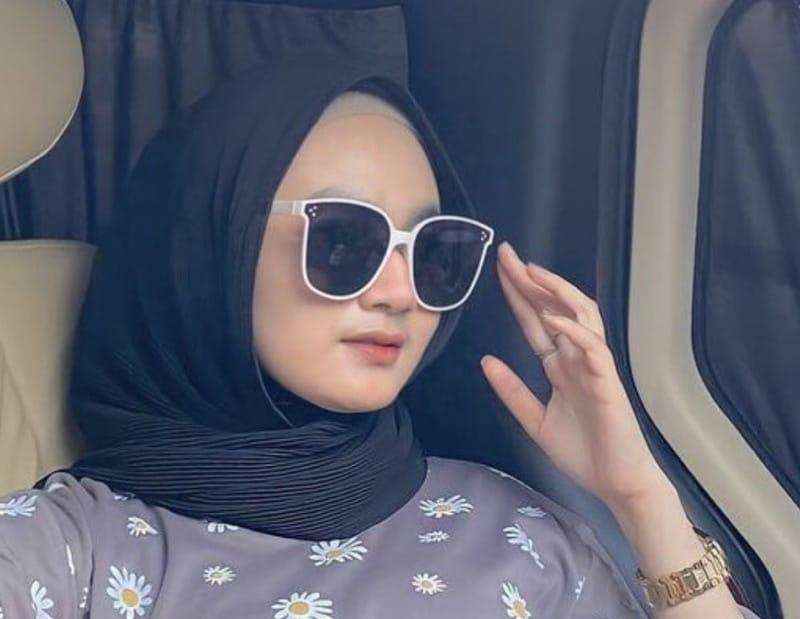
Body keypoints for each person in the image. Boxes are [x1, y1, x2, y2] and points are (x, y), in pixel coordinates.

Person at [0, 39, 760, 619]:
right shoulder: (70, 552)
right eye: (345, 240)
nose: (401, 294)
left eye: (434, 251)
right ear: (209, 246)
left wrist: (640, 497)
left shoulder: (516, 522)